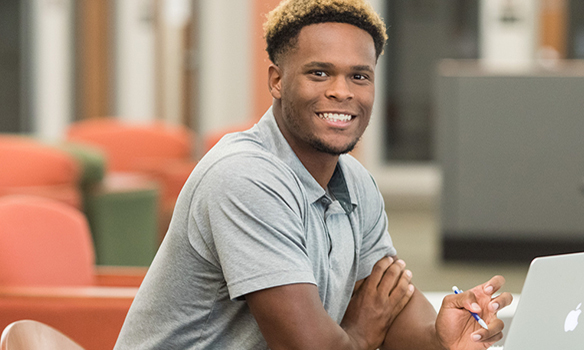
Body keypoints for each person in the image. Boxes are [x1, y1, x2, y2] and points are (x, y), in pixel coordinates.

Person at [114, 0, 513, 349]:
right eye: (319, 73)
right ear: (277, 81)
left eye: (359, 76)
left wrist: (440, 338)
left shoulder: (356, 182)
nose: (343, 91)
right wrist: (358, 334)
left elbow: (390, 309)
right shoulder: (244, 178)